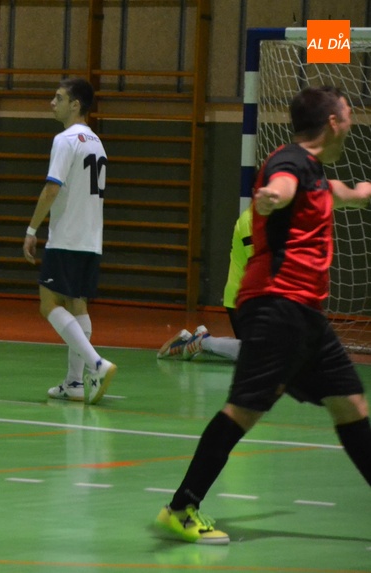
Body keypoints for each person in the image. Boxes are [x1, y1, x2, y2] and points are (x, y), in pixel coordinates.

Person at [155, 86, 371, 545]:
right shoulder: (290, 162)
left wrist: (360, 193)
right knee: (244, 410)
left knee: (351, 404)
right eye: (350, 114)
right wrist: (272, 196)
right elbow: (281, 185)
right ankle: (181, 508)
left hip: (305, 313)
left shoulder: (316, 176)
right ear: (333, 122)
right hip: (276, 305)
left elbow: (349, 193)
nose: (353, 121)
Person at [23, 77, 116, 405]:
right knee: (77, 305)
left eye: (59, 98)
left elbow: (52, 188)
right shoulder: (97, 142)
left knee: (48, 303)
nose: (52, 103)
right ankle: (75, 383)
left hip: (67, 238)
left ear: (76, 105)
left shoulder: (65, 140)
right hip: (91, 238)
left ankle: (96, 364)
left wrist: (32, 229)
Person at [158, 207, 252, 362]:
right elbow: (260, 265)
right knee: (260, 354)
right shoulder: (251, 219)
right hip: (244, 299)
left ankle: (195, 343)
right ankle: (202, 341)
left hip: (263, 298)